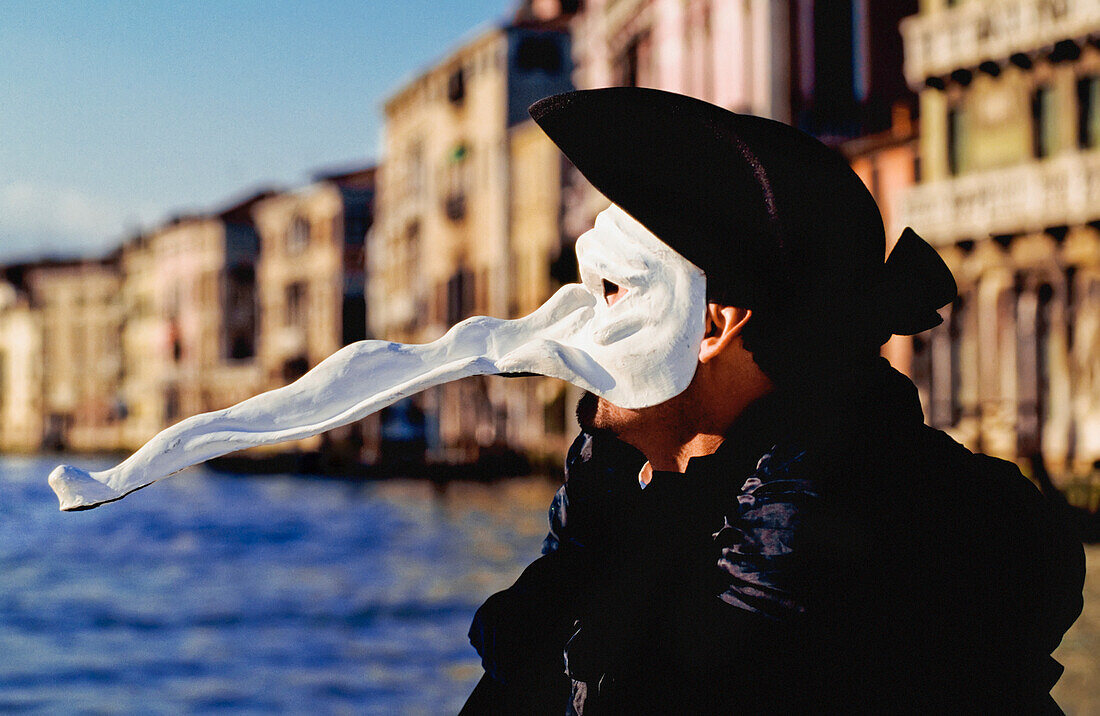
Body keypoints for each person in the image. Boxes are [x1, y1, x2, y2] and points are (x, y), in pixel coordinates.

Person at [461, 88, 1086, 714]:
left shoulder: (859, 562)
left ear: (712, 326)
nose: (576, 322)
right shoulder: (628, 508)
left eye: (613, 289)